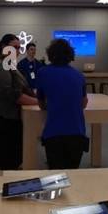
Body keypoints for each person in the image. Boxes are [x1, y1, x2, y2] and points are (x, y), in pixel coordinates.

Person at [29, 38, 91, 168]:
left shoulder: (43, 73)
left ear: (50, 54)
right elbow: (84, 103)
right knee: (73, 174)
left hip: (54, 133)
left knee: (56, 175)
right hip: (77, 133)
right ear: (70, 55)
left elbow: (41, 102)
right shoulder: (79, 75)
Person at [0, 36, 30, 170]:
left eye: (19, 48)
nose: (17, 51)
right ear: (3, 47)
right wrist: (37, 101)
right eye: (14, 47)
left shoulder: (9, 64)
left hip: (8, 116)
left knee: (11, 156)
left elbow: (22, 87)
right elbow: (10, 93)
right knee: (2, 156)